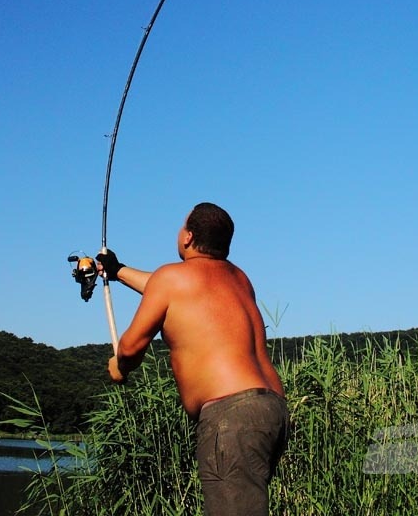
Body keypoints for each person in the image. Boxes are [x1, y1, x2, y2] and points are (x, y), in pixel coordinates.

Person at [97, 202, 289, 516]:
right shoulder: (239, 280)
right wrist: (117, 270)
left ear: (187, 237)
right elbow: (165, 287)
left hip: (232, 415)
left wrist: (120, 366)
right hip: (271, 409)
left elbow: (130, 347)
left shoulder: (172, 279)